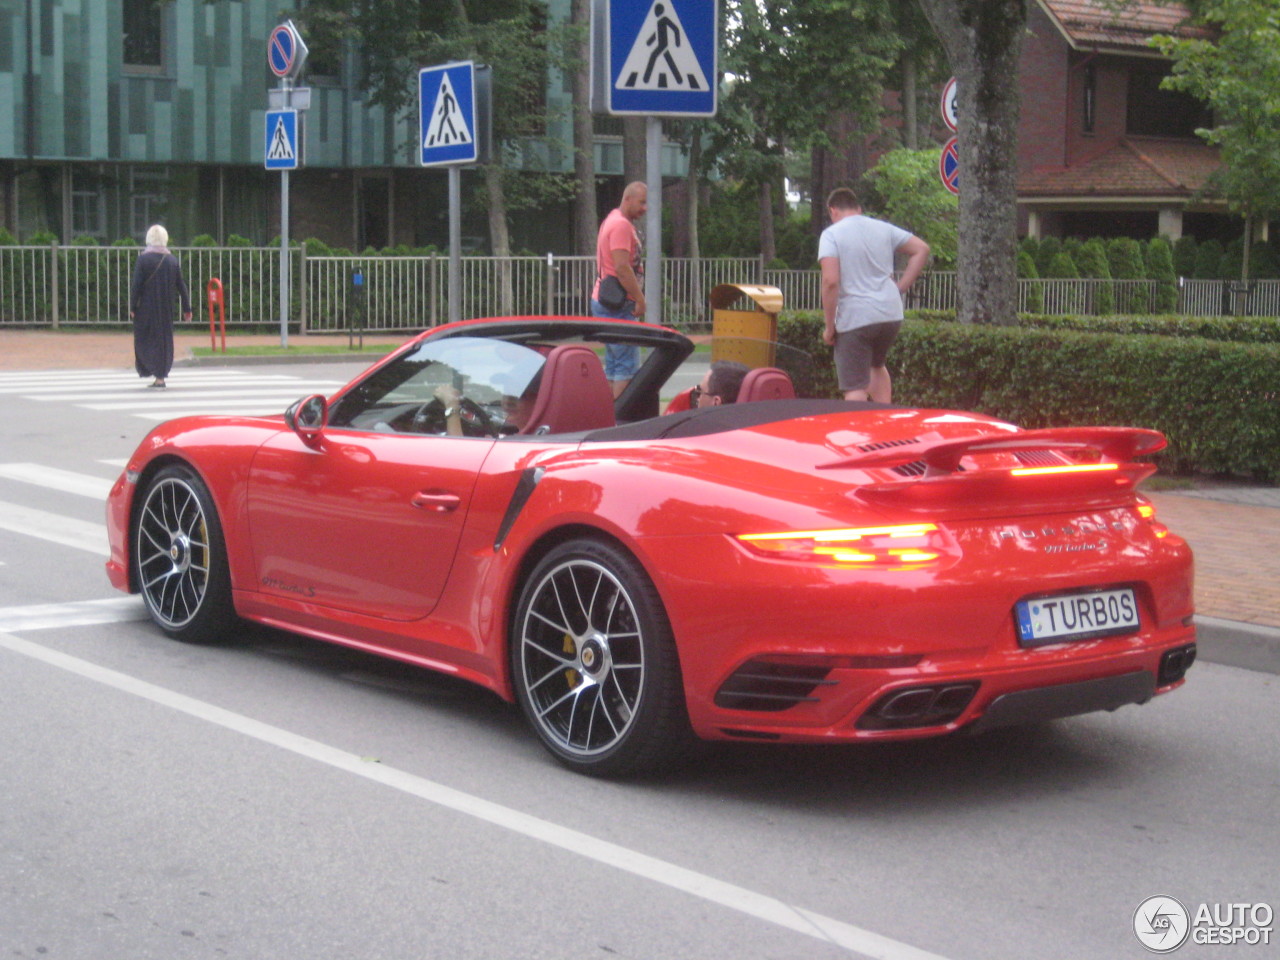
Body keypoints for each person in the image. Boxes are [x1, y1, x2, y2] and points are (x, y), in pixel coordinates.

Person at [818, 187, 929, 403]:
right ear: (858, 209)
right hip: (890, 313)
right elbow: (921, 249)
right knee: (876, 366)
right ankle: (885, 425)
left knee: (855, 385)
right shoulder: (883, 228)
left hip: (856, 317)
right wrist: (901, 287)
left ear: (832, 211)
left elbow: (830, 281)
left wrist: (829, 327)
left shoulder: (832, 234)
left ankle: (859, 434)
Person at [591, 181, 646, 398]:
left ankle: (607, 417)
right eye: (641, 203)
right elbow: (622, 268)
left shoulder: (611, 219)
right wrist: (640, 299)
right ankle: (620, 422)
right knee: (626, 368)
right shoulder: (621, 225)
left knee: (614, 367)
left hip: (605, 301)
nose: (645, 208)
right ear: (627, 199)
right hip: (617, 306)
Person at [129, 224, 191, 388]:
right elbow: (181, 285)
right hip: (166, 308)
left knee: (144, 339)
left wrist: (132, 306)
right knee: (163, 341)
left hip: (146, 308)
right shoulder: (172, 260)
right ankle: (160, 376)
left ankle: (148, 366)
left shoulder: (143, 259)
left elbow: (136, 285)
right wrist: (187, 309)